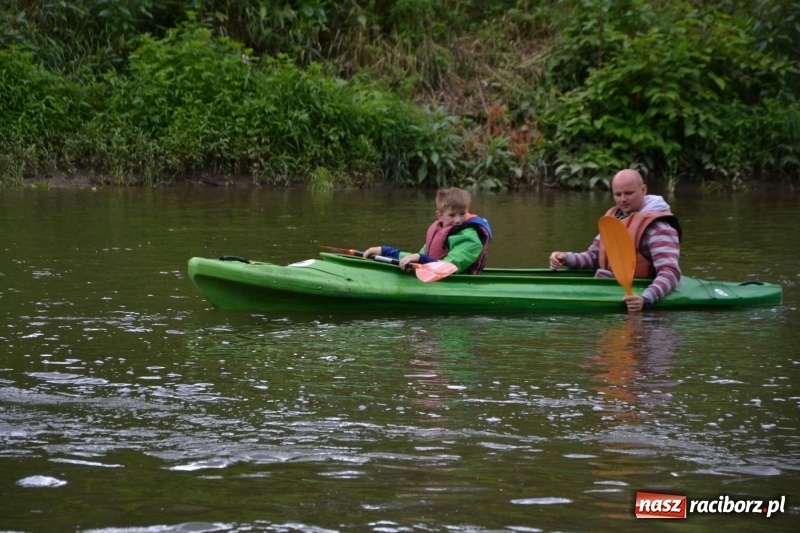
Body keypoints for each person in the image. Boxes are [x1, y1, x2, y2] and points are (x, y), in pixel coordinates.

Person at [549, 169, 682, 312]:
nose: (622, 199)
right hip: (607, 285)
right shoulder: (616, 219)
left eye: (629, 193)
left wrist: (646, 298)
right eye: (618, 194)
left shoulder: (659, 228)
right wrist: (566, 258)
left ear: (643, 190)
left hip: (640, 296)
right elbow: (594, 257)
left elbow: (670, 271)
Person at [363, 187, 493, 274]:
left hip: (457, 282)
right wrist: (386, 251)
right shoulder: (440, 231)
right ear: (440, 216)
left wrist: (419, 258)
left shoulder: (470, 238)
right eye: (452, 215)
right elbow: (417, 258)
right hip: (434, 275)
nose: (458, 220)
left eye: (462, 214)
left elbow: (448, 266)